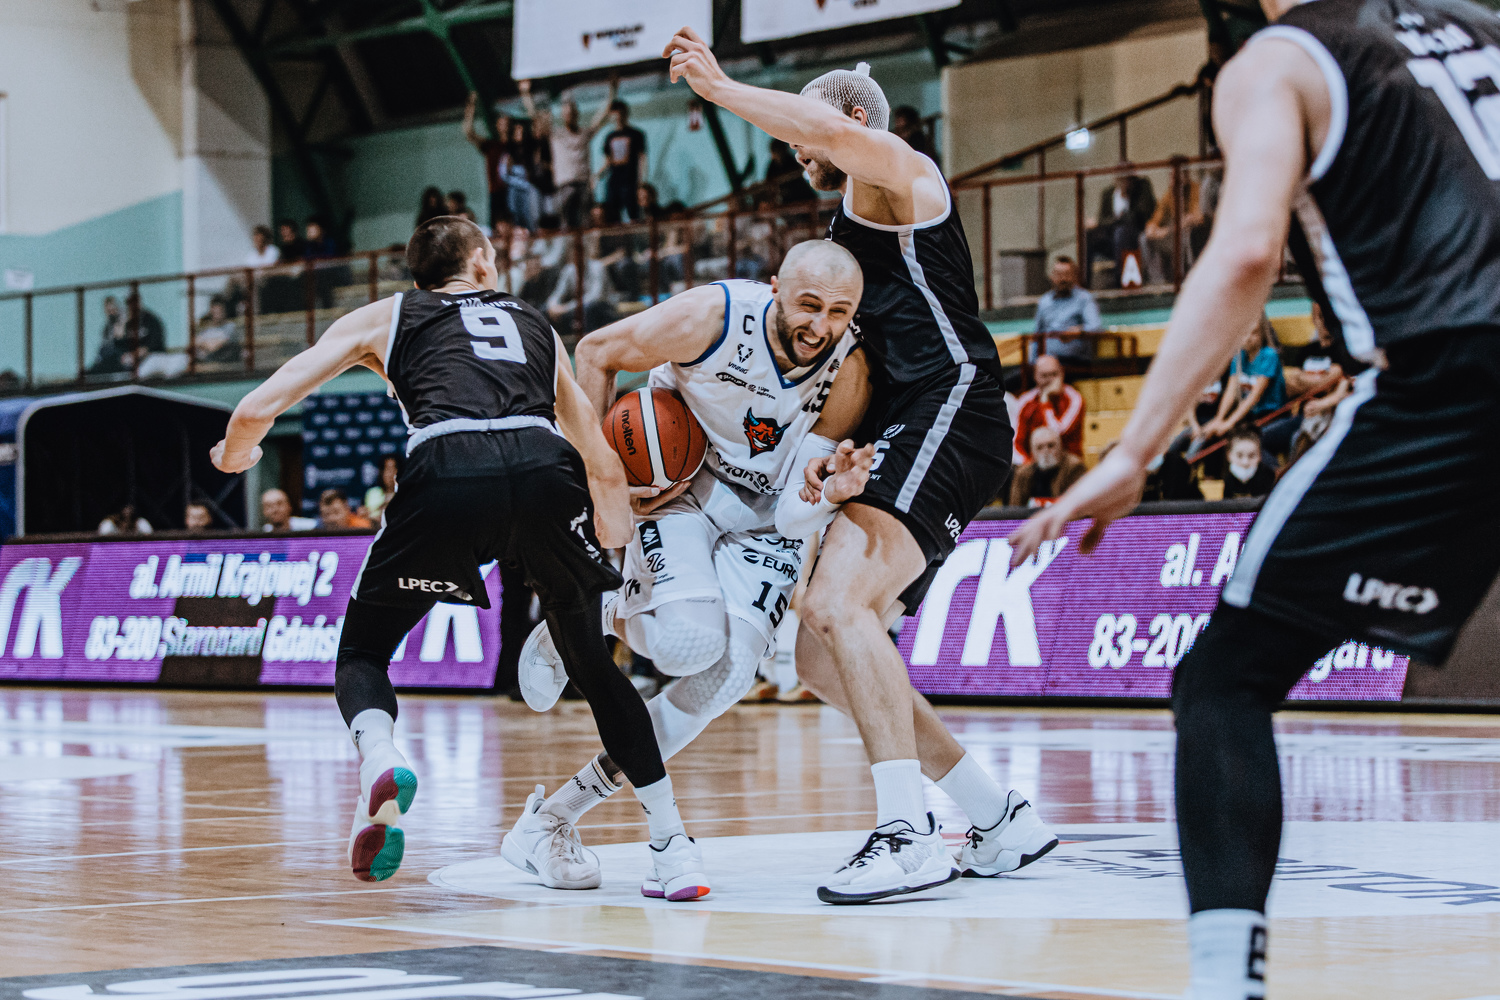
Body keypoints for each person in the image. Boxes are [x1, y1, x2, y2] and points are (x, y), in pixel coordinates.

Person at [1007, 1, 1500, 995]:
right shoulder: (1478, 24)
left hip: (1451, 377)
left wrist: (1136, 447)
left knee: (1224, 680)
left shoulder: (1281, 58)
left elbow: (1243, 253)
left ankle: (1227, 980)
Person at [666, 36, 1056, 903]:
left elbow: (832, 135)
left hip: (954, 405)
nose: (795, 151)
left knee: (836, 602)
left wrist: (721, 89)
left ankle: (906, 834)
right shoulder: (849, 224)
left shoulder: (902, 175)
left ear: (844, 117)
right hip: (908, 425)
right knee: (819, 652)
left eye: (803, 135)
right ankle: (997, 817)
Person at [211, 214, 705, 897]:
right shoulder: (532, 320)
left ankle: (379, 756)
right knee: (594, 665)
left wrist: (236, 454)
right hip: (544, 467)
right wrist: (610, 563)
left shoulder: (386, 315)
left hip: (448, 466)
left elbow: (256, 409)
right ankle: (673, 849)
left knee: (362, 654)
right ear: (479, 263)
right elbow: (599, 458)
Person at [509, 242, 869, 888]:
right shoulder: (713, 317)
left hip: (767, 519)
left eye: (839, 312)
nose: (820, 326)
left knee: (722, 680)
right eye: (809, 305)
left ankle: (554, 817)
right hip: (679, 485)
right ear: (775, 288)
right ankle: (599, 615)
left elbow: (794, 514)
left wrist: (827, 494)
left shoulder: (849, 368)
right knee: (683, 646)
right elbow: (595, 351)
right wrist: (601, 482)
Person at [520, 77, 616, 230]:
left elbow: (603, 115)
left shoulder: (584, 133)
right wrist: (526, 93)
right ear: (563, 116)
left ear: (577, 113)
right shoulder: (556, 135)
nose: (570, 114)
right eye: (566, 112)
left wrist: (612, 90)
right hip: (564, 185)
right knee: (565, 225)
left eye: (572, 111)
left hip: (583, 183)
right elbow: (534, 115)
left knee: (586, 222)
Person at [1084, 173, 1156, 288]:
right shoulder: (1108, 193)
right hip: (1110, 236)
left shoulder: (1142, 188)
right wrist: (1099, 223)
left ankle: (1120, 283)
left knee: (1120, 232)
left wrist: (1104, 222)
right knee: (1089, 235)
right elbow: (1102, 218)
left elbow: (1135, 216)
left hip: (1133, 234)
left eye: (1127, 179)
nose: (1124, 182)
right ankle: (1085, 283)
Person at [1013, 354, 1086, 461]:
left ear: (1062, 373)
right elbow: (1016, 442)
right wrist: (1027, 464)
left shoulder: (1074, 398)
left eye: (1054, 374)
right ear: (1035, 376)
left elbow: (1057, 434)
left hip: (1068, 464)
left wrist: (1045, 403)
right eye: (1044, 375)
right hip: (1034, 464)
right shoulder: (1025, 401)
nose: (1050, 380)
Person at [1032, 257, 1102, 363]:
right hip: (1047, 360)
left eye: (1067, 274)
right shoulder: (1044, 301)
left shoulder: (1084, 298)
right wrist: (1032, 363)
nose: (1063, 279)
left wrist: (1078, 331)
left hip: (1075, 360)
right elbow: (1037, 335)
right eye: (1059, 274)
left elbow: (1096, 326)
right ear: (1051, 276)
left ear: (1074, 276)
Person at [1008, 425, 1085, 507]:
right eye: (1039, 447)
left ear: (1060, 446)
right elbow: (1014, 507)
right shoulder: (1023, 473)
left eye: (1051, 445)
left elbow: (1078, 504)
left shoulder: (1075, 468)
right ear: (1033, 451)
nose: (1046, 451)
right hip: (1031, 515)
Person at [601, 100, 648, 223]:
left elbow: (642, 158)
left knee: (634, 214)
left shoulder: (636, 134)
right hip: (614, 181)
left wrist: (642, 180)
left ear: (626, 114)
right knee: (613, 216)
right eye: (615, 115)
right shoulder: (609, 137)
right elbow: (607, 160)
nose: (618, 118)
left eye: (620, 114)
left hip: (630, 181)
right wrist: (598, 175)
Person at [1221, 424, 1275, 498]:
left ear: (1260, 456)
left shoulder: (1269, 476)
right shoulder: (1228, 478)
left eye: (1251, 456)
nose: (1245, 462)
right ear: (1228, 455)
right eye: (1239, 456)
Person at [363, 456, 400, 522]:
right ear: (381, 472)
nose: (391, 474)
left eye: (394, 469)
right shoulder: (372, 493)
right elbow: (368, 516)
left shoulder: (404, 493)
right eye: (388, 469)